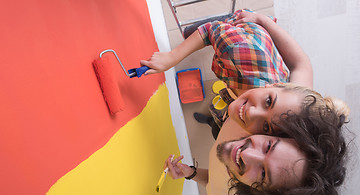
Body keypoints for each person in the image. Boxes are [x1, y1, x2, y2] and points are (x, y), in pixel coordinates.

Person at [141, 10, 349, 137]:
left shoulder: (296, 108)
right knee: (192, 33)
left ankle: (216, 118)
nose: (252, 113)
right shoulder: (240, 52)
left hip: (238, 82)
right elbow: (209, 30)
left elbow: (302, 65)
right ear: (276, 86)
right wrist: (172, 57)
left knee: (225, 117)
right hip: (241, 32)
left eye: (266, 128)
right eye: (268, 102)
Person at [165, 102, 348, 195]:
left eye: (262, 174)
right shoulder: (253, 122)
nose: (245, 153)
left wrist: (190, 173)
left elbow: (212, 182)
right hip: (222, 128)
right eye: (268, 146)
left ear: (256, 192)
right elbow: (301, 65)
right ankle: (209, 121)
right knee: (215, 126)